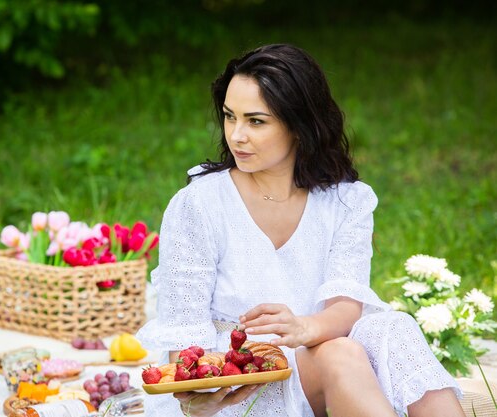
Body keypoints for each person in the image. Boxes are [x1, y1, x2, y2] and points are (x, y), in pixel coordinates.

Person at [136, 44, 464, 417]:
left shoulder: (345, 201)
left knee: (391, 329)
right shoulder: (199, 203)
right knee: (341, 354)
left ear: (299, 125)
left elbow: (345, 306)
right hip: (236, 383)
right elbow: (184, 341)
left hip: (325, 354)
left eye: (256, 121)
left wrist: (303, 328)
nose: (236, 135)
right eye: (230, 117)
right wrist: (203, 392)